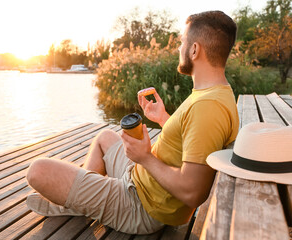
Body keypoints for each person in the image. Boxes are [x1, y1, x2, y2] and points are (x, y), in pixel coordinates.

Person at [26, 10, 239, 234]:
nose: (179, 48)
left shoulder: (207, 107)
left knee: (38, 171)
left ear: (195, 49)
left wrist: (145, 157)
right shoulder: (214, 94)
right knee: (105, 137)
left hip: (142, 206)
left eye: (182, 41)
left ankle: (80, 201)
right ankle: (84, 200)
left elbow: (193, 192)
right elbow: (192, 141)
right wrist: (163, 118)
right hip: (142, 183)